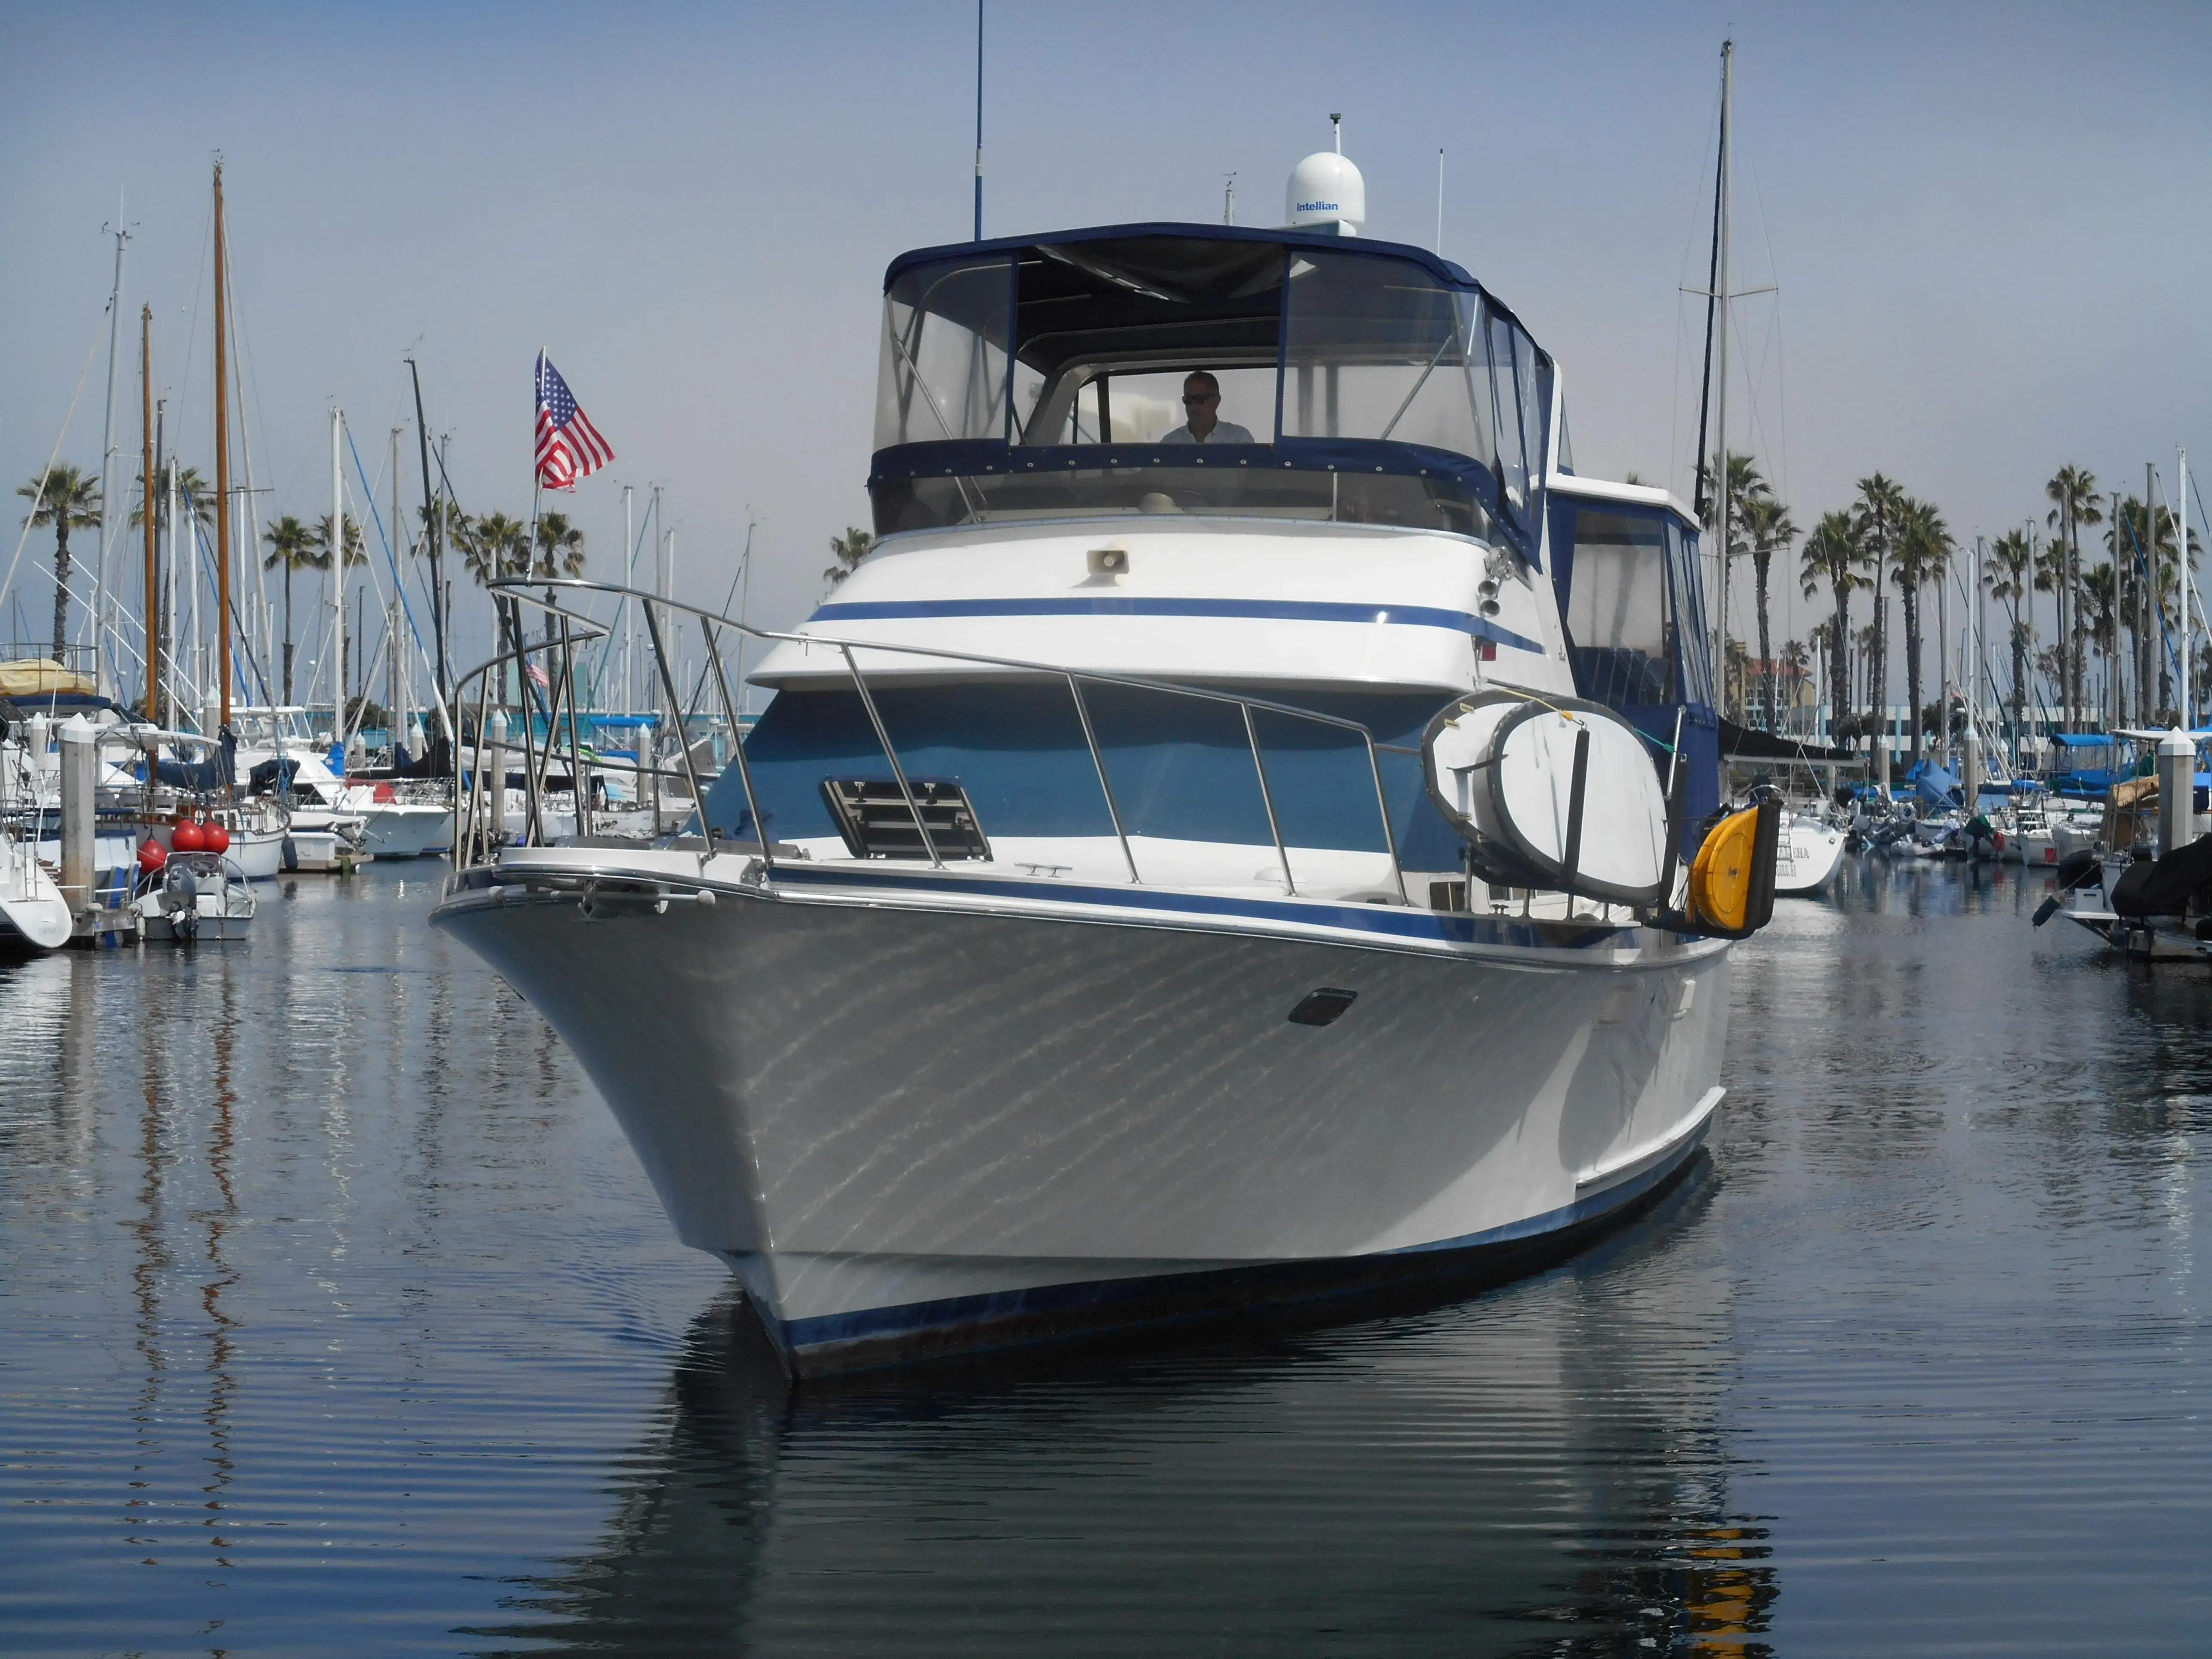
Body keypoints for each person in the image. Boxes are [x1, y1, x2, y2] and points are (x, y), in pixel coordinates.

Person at [1160, 371, 1255, 444]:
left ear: (1217, 401)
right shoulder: (1170, 442)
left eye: (1201, 399)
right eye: (1188, 400)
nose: (1194, 406)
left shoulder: (1239, 439)